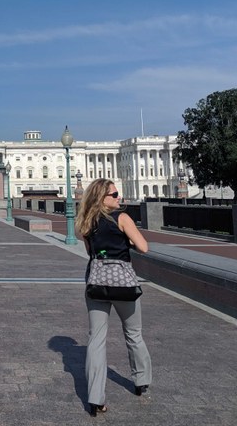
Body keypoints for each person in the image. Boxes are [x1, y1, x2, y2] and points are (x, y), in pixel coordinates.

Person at [75, 178, 152, 417]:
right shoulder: (122, 218)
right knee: (134, 333)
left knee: (96, 340)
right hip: (123, 284)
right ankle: (141, 380)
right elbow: (143, 247)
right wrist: (126, 241)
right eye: (115, 194)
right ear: (102, 198)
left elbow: (91, 251)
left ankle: (95, 398)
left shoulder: (85, 222)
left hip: (97, 284)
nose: (119, 198)